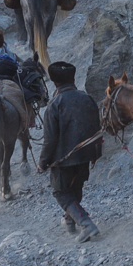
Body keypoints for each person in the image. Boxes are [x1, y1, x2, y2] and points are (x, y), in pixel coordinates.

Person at [38, 60, 103, 241]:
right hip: (87, 154)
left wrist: (43, 163)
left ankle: (86, 224)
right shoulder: (87, 98)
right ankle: (70, 220)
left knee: (61, 192)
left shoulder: (54, 104)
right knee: (76, 188)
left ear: (55, 82)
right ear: (73, 78)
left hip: (64, 159)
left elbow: (49, 140)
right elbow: (97, 126)